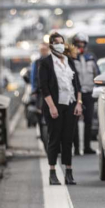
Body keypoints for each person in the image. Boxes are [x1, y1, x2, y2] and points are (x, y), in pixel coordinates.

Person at [37, 31, 83, 185]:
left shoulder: (69, 61)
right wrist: (51, 107)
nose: (60, 45)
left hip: (70, 104)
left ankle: (69, 172)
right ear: (51, 45)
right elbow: (44, 87)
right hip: (54, 106)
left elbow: (76, 84)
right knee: (54, 139)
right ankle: (52, 172)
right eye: (57, 42)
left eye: (62, 42)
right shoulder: (45, 63)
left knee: (68, 139)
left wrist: (78, 103)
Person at [71, 33, 99, 156]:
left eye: (82, 44)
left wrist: (97, 89)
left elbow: (97, 75)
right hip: (75, 94)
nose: (80, 46)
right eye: (78, 44)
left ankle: (87, 147)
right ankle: (76, 148)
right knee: (74, 121)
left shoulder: (91, 58)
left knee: (88, 121)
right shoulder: (70, 59)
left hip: (88, 93)